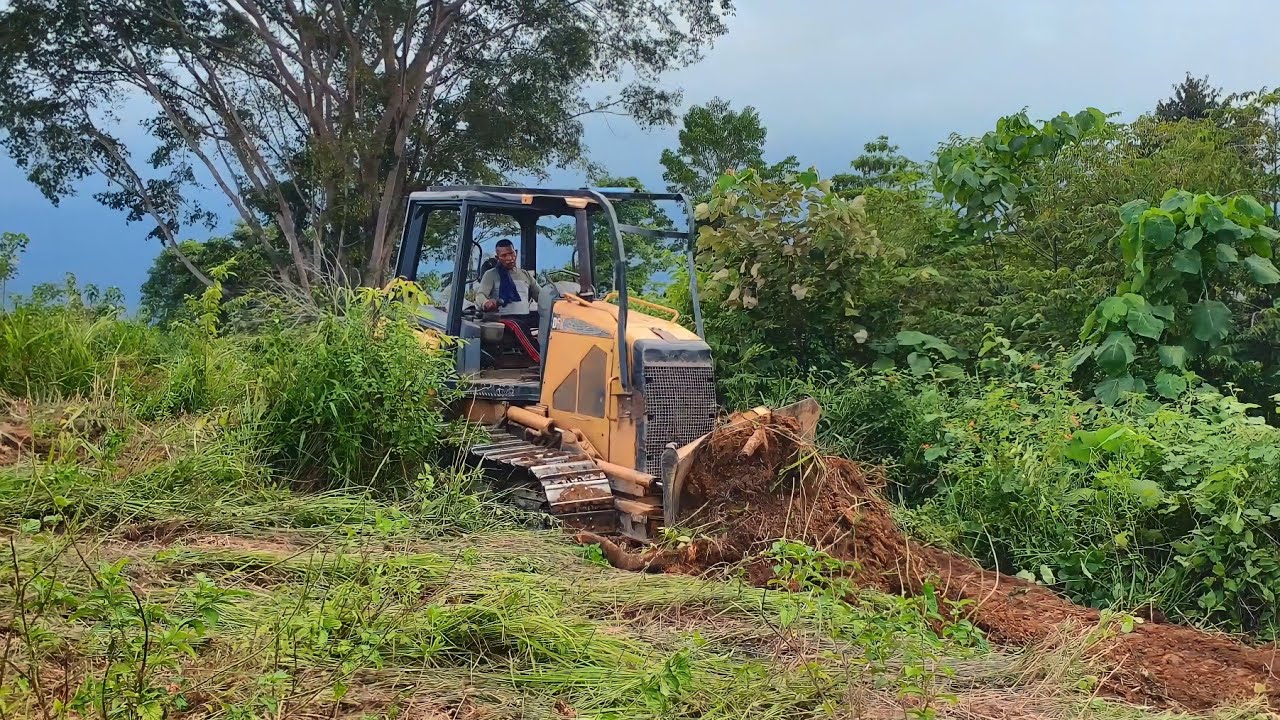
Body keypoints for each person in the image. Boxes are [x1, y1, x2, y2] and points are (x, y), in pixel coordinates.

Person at [474, 239, 541, 362]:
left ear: (515, 252)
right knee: (517, 325)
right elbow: (480, 295)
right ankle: (540, 359)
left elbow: (540, 296)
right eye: (504, 255)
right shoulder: (491, 275)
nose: (509, 258)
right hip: (503, 316)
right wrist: (486, 303)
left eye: (511, 254)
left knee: (550, 319)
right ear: (497, 257)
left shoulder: (525, 275)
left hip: (524, 316)